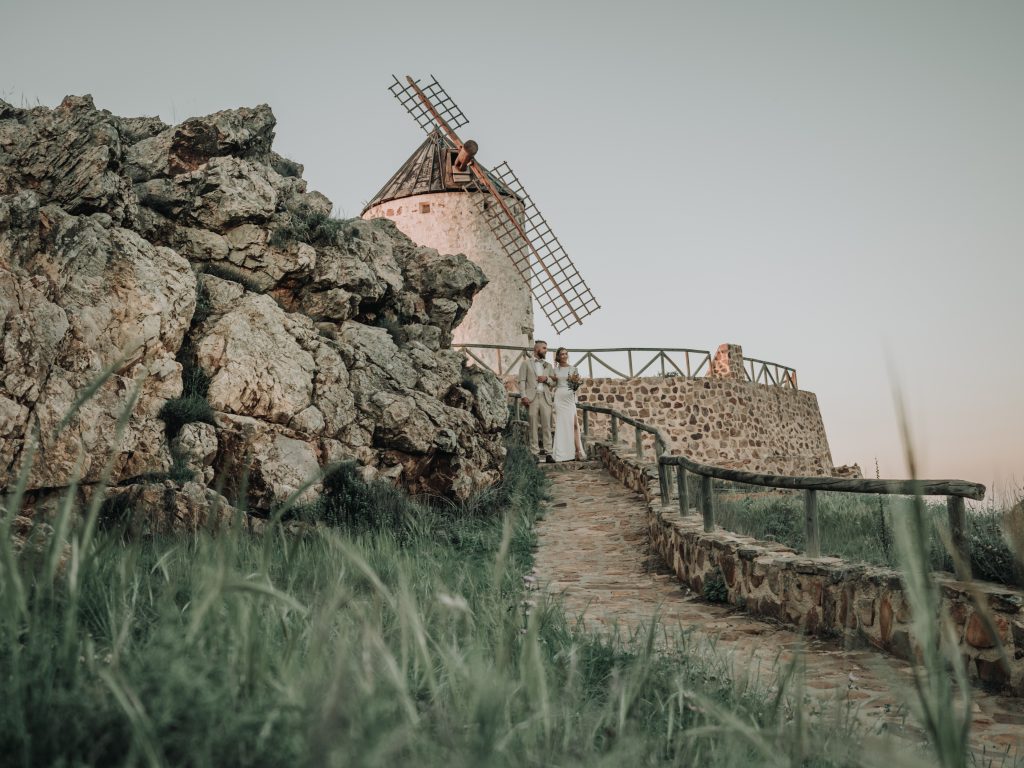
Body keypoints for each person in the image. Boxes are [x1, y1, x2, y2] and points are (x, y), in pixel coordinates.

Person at [518, 340, 556, 462]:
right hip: (532, 398)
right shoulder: (526, 363)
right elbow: (522, 381)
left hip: (545, 398)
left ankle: (549, 453)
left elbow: (554, 382)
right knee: (533, 426)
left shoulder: (548, 365)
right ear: (537, 349)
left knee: (547, 426)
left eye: (546, 348)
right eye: (544, 348)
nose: (546, 350)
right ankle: (534, 453)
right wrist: (523, 395)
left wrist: (547, 379)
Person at [551, 347, 587, 462]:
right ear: (558, 356)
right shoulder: (555, 370)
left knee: (574, 424)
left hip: (570, 398)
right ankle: (562, 453)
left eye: (566, 354)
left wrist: (575, 392)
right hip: (560, 397)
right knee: (562, 425)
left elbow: (577, 385)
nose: (564, 356)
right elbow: (552, 384)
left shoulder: (574, 369)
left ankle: (578, 451)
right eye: (562, 354)